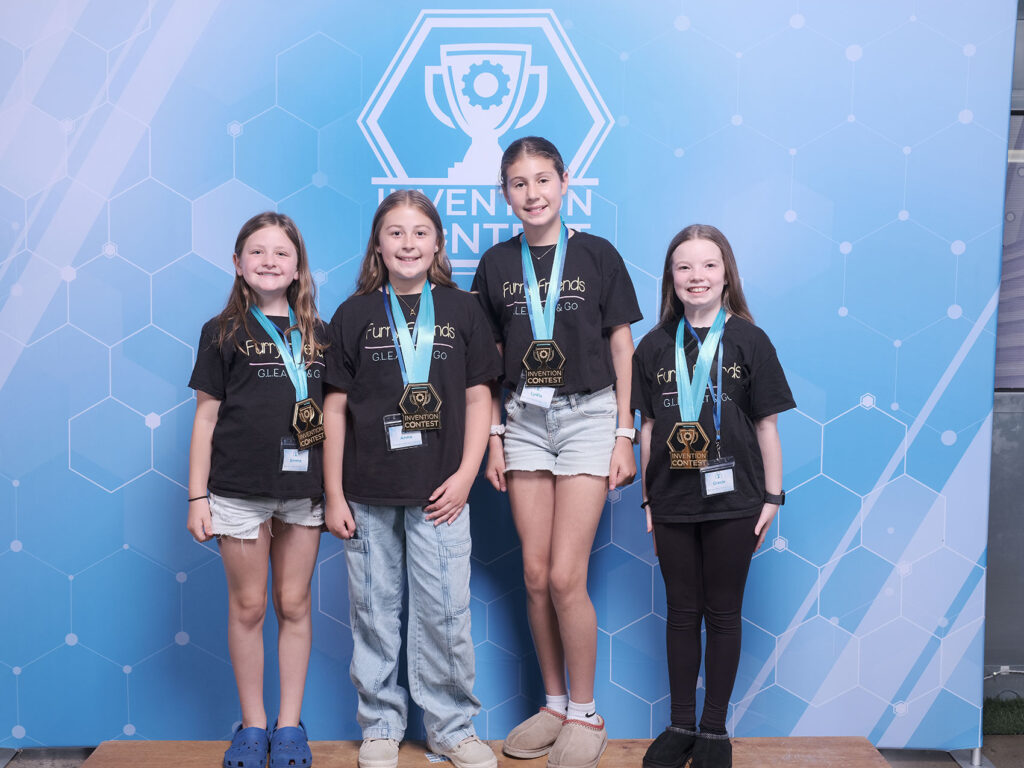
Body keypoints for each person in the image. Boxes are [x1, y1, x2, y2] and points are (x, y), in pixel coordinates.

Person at [472, 136, 643, 768]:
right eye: (519, 183)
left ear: (565, 183)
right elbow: (489, 362)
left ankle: (586, 711)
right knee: (536, 573)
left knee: (568, 575)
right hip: (523, 420)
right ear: (504, 193)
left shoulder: (597, 255)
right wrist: (494, 435)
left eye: (543, 179)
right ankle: (553, 704)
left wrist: (624, 432)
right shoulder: (495, 264)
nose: (533, 193)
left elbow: (621, 346)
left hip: (590, 416)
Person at [322, 190, 502, 768]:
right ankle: (380, 724)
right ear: (378, 244)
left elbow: (480, 397)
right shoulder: (352, 315)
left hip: (442, 492)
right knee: (373, 613)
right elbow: (333, 409)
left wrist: (467, 474)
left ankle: (451, 728)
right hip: (367, 491)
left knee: (446, 613)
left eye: (420, 232)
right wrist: (333, 493)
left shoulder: (462, 310)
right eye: (395, 233)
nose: (408, 243)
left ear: (438, 243)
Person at [632, 225, 795, 768]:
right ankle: (681, 723)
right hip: (672, 501)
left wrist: (772, 498)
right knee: (681, 613)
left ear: (726, 275)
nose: (696, 277)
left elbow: (767, 425)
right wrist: (649, 501)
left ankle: (714, 730)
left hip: (736, 501)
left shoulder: (750, 340)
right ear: (671, 277)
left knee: (723, 612)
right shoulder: (653, 345)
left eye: (708, 266)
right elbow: (648, 429)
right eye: (684, 267)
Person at [187, 212, 327, 768]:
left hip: (304, 491)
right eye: (258, 251)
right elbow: (205, 419)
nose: (270, 261)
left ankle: (289, 725)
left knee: (293, 603)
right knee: (248, 607)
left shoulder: (319, 334)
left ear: (298, 267)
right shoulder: (221, 331)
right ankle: (251, 724)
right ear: (238, 264)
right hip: (238, 490)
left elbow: (336, 416)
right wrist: (197, 497)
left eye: (282, 253)